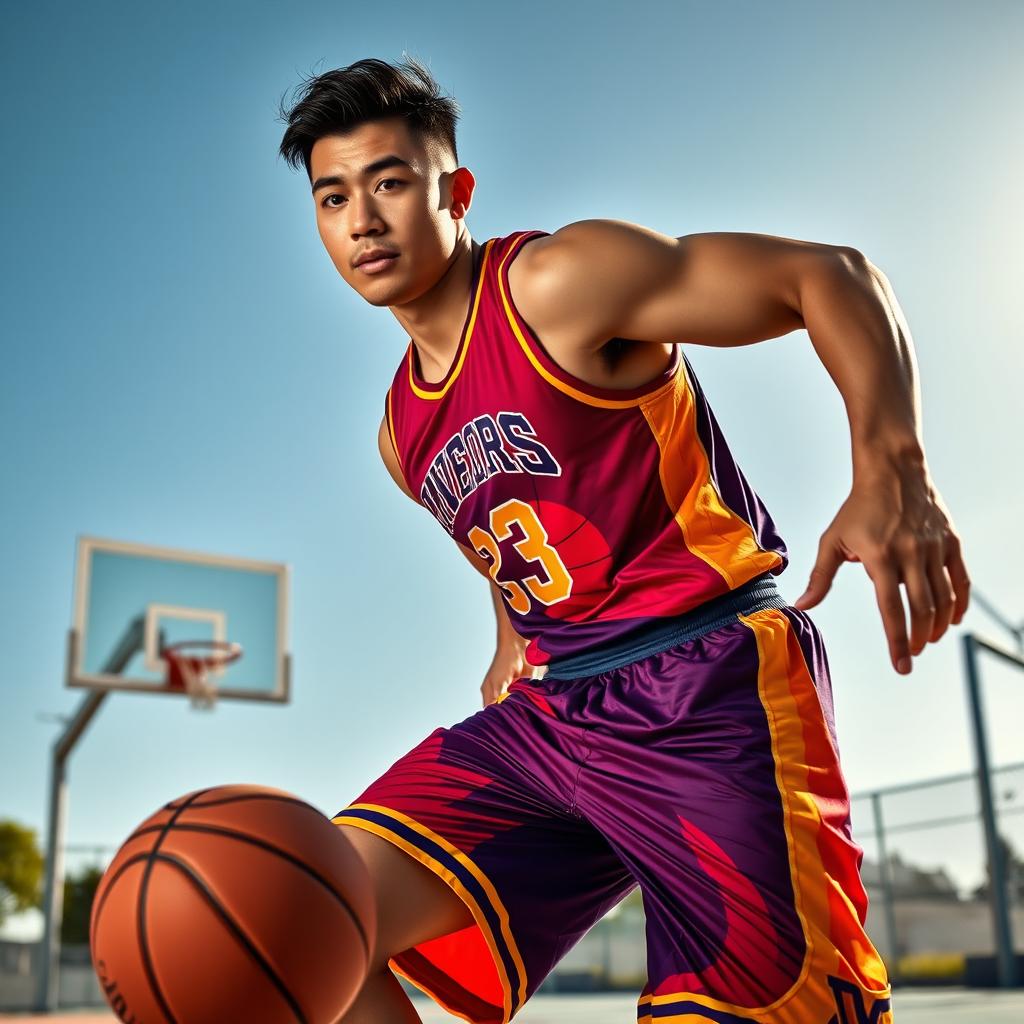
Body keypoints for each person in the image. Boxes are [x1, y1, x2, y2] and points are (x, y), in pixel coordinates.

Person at [278, 56, 969, 1024]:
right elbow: (509, 523)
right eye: (332, 196)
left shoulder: (560, 282)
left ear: (455, 191)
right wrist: (507, 636)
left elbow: (827, 274)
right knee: (295, 914)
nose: (362, 219)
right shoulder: (400, 430)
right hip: (556, 716)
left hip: (709, 682)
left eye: (390, 182)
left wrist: (892, 467)